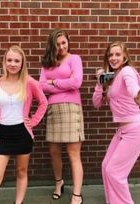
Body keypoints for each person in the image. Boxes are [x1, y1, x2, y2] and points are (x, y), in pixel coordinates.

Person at [0, 45, 48, 204]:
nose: (13, 64)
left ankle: (18, 202)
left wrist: (33, 121)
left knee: (21, 172)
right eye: (10, 60)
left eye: (17, 61)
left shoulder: (29, 82)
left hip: (22, 134)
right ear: (5, 62)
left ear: (22, 63)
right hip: (2, 136)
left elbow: (43, 102)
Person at [92, 41, 140, 204]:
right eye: (110, 55)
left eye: (117, 54)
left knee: (115, 172)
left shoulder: (127, 71)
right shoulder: (111, 78)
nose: (113, 58)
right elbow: (96, 104)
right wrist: (100, 83)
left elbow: (132, 87)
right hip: (122, 131)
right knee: (106, 166)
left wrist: (137, 95)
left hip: (135, 129)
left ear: (125, 57)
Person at [39, 28, 85, 204]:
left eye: (64, 43)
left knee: (73, 153)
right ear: (53, 45)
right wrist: (58, 84)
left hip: (72, 109)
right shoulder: (47, 63)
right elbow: (42, 86)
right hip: (52, 110)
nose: (61, 47)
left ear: (68, 42)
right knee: (53, 151)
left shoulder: (74, 59)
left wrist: (54, 82)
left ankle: (77, 194)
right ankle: (59, 183)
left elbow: (76, 82)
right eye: (57, 44)